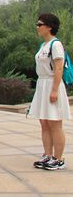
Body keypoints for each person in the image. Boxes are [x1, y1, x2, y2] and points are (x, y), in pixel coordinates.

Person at [28, 13, 70, 170]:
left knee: (54, 123)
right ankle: (47, 154)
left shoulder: (56, 45)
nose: (37, 27)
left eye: (40, 24)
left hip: (52, 83)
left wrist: (54, 91)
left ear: (49, 27)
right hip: (42, 84)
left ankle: (58, 159)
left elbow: (59, 69)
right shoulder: (43, 45)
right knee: (44, 122)